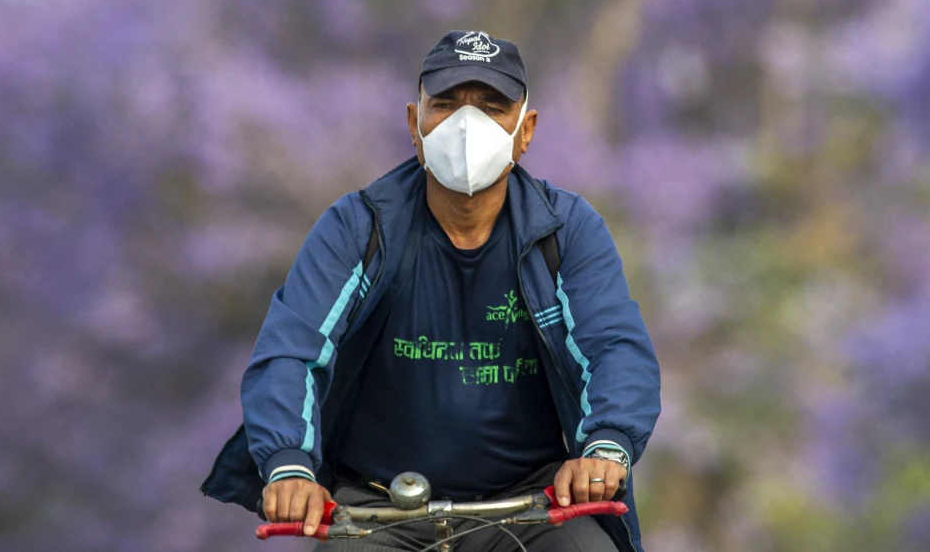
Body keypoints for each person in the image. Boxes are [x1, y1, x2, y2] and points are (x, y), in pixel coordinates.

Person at [200, 30, 661, 552]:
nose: (468, 125)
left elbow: (615, 348)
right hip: (376, 511)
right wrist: (288, 466)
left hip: (532, 508)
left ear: (525, 129)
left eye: (492, 107)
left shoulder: (565, 230)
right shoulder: (361, 227)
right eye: (445, 104)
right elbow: (292, 350)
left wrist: (607, 447)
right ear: (414, 126)